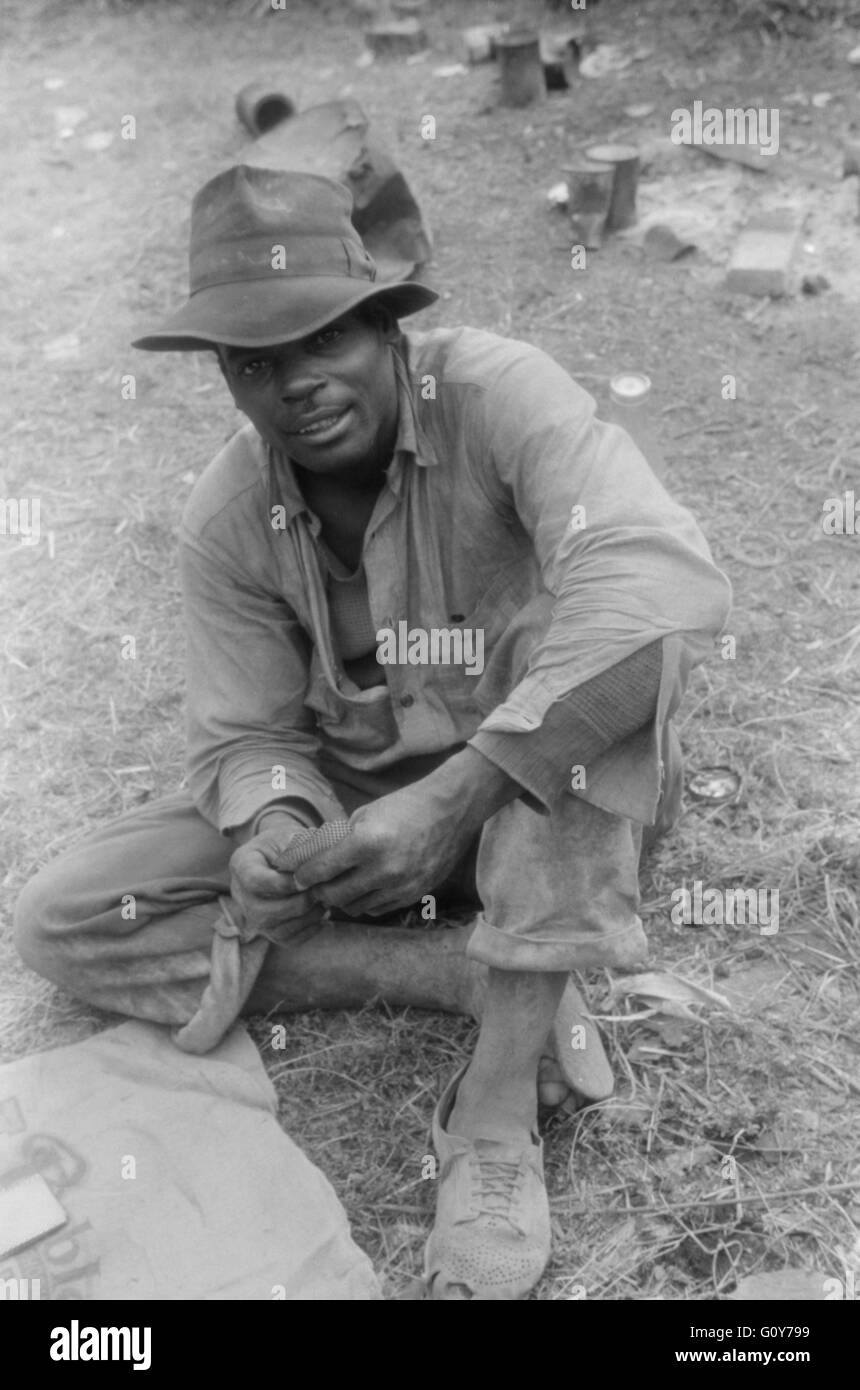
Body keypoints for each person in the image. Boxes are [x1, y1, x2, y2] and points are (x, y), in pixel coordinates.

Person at [14, 165, 732, 1300]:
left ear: (385, 329)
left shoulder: (499, 394)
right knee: (68, 918)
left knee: (604, 652)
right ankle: (455, 970)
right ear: (226, 379)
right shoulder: (227, 515)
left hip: (545, 794)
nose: (296, 384)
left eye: (323, 340)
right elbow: (244, 735)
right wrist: (277, 826)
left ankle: (493, 1115)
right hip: (365, 814)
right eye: (256, 362)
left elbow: (656, 578)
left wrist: (454, 796)